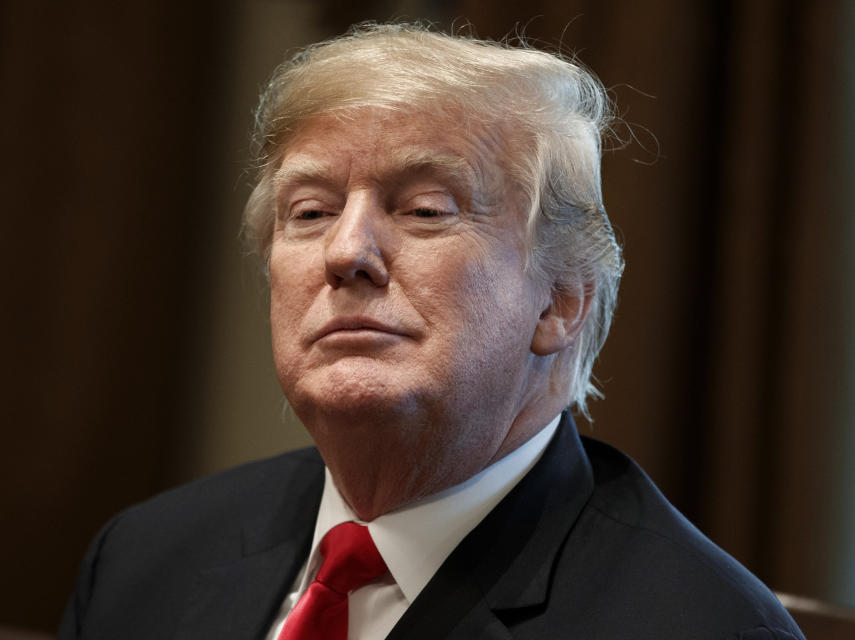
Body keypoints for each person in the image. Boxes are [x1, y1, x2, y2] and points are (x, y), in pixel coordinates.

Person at [59, 23, 804, 640]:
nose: (346, 251)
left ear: (561, 304)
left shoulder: (702, 626)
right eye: (310, 212)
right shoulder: (143, 559)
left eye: (424, 210)